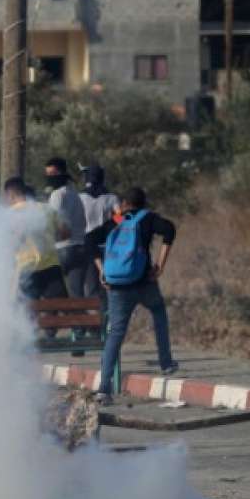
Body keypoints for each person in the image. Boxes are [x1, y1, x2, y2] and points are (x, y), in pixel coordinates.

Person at [85, 187, 178, 403]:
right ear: (144, 203)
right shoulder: (148, 218)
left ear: (125, 204)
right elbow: (169, 230)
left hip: (117, 286)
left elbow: (89, 240)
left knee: (115, 334)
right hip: (144, 283)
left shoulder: (119, 219)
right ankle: (165, 362)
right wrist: (160, 266)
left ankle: (104, 389)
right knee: (158, 311)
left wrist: (102, 270)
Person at [5, 177, 68, 301]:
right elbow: (66, 233)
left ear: (10, 195)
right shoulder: (47, 208)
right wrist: (50, 238)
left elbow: (11, 243)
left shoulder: (9, 214)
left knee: (24, 310)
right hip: (51, 267)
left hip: (26, 268)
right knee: (62, 308)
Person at [44, 157, 87, 299]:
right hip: (80, 247)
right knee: (77, 295)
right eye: (47, 174)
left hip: (62, 248)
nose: (49, 177)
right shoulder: (75, 194)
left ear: (62, 173)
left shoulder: (57, 195)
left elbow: (52, 221)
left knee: (49, 292)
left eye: (53, 173)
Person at [78, 164, 119, 297]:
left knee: (92, 287)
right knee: (109, 284)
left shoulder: (80, 198)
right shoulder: (112, 198)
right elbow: (121, 218)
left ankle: (96, 309)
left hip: (88, 246)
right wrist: (110, 224)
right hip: (108, 246)